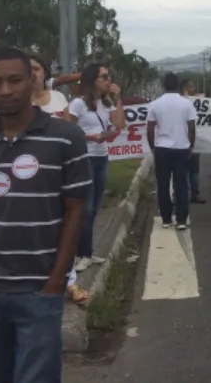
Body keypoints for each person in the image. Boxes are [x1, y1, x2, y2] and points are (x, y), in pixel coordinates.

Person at [0, 47, 92, 382]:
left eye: (14, 80)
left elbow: (76, 210)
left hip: (39, 288)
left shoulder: (67, 138)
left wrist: (56, 280)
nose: (5, 90)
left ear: (33, 80)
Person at [28, 56, 88, 305]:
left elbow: (68, 131)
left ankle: (69, 281)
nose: (33, 73)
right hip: (28, 173)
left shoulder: (59, 99)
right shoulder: (17, 103)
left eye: (37, 68)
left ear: (45, 73)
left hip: (58, 169)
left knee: (65, 225)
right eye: (28, 69)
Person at [66, 62, 126, 273]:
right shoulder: (78, 104)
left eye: (109, 76)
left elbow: (119, 124)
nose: (109, 80)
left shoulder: (105, 102)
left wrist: (118, 99)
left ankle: (87, 253)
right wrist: (90, 136)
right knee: (87, 209)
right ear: (93, 80)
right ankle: (82, 254)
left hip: (101, 157)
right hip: (85, 158)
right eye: (105, 77)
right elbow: (67, 132)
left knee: (94, 207)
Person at [147, 73, 197, 231]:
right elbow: (191, 127)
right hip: (181, 148)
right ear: (178, 86)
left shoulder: (155, 104)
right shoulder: (186, 104)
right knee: (181, 184)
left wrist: (153, 147)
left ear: (163, 85)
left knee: (162, 184)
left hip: (162, 148)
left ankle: (166, 219)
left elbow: (150, 129)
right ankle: (181, 219)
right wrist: (191, 146)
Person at [181, 80, 205, 204]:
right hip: (181, 142)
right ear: (185, 88)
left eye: (194, 86)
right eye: (191, 86)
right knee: (181, 171)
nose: (194, 88)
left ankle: (195, 194)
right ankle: (181, 194)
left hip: (194, 141)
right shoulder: (181, 102)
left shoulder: (198, 101)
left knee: (194, 170)